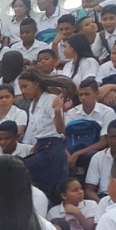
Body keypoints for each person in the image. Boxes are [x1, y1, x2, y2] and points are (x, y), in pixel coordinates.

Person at [20, 70, 77, 200]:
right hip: (41, 146)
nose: (23, 91)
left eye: (25, 86)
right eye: (21, 88)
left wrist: (57, 111)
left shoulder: (50, 99)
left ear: (36, 83)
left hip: (52, 148)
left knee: (17, 166)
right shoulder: (33, 104)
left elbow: (60, 129)